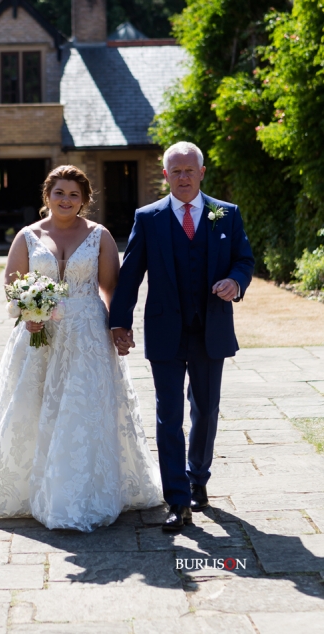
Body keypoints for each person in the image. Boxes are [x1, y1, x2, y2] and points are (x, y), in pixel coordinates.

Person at [0, 165, 163, 531]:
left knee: (82, 410)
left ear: (84, 199)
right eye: (59, 193)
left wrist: (118, 328)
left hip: (88, 335)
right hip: (39, 335)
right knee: (33, 406)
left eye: (74, 194)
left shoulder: (99, 236)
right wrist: (28, 313)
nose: (66, 200)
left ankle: (78, 493)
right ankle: (28, 489)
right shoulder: (27, 236)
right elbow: (12, 285)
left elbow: (110, 288)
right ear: (47, 195)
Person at [109, 142, 254, 532]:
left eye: (190, 170)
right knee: (168, 414)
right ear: (165, 175)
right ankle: (177, 499)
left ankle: (197, 479)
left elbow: (244, 259)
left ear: (202, 172)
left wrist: (235, 282)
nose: (184, 177)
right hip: (165, 331)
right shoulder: (148, 218)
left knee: (206, 409)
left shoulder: (227, 214)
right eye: (176, 171)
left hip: (211, 330)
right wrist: (119, 322)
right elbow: (130, 274)